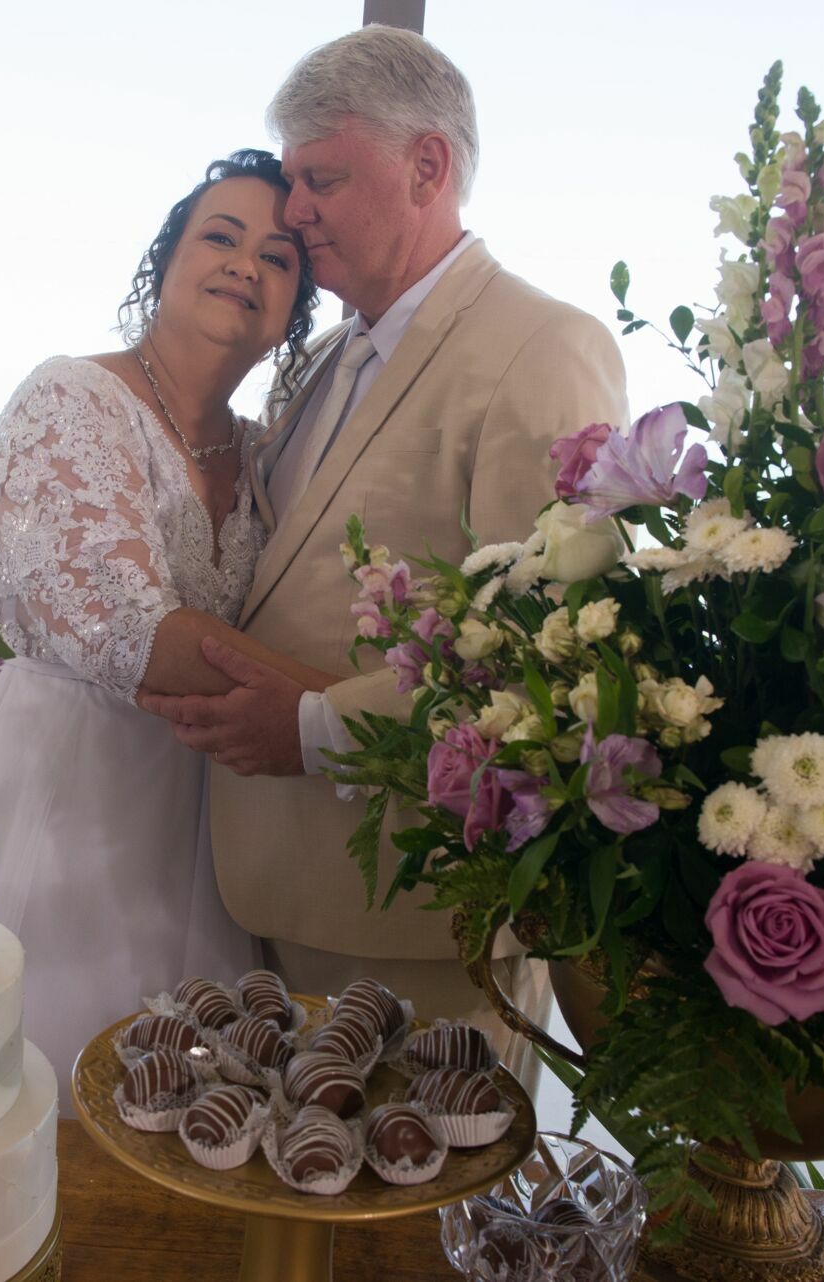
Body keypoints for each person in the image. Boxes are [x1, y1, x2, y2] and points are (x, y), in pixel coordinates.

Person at [134, 28, 631, 1089]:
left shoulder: (542, 347)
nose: (294, 207)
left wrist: (315, 727)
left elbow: (552, 669)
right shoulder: (322, 356)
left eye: (321, 177)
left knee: (408, 1243)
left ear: (428, 167)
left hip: (417, 924)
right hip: (262, 891)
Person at [0, 150, 332, 1101]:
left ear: (296, 306)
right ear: (162, 265)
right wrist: (341, 720)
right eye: (220, 237)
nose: (247, 264)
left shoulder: (262, 456)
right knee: (39, 1090)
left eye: (279, 256)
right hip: (64, 793)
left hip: (205, 817)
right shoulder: (72, 398)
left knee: (186, 1109)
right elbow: (125, 628)